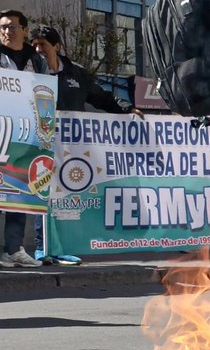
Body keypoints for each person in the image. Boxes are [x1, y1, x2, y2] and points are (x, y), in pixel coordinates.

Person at [28, 24, 143, 265]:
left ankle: (63, 247)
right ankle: (42, 247)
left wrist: (126, 109)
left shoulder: (76, 73)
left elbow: (101, 97)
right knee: (43, 196)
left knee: (67, 199)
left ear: (57, 47)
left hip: (72, 148)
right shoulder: (29, 72)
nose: (38, 49)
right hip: (40, 145)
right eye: (34, 45)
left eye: (43, 45)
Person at [0, 9, 48, 269]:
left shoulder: (37, 61)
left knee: (19, 193)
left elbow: (45, 93)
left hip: (25, 136)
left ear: (25, 31)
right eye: (2, 27)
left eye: (12, 27)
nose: (6, 32)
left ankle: (14, 249)